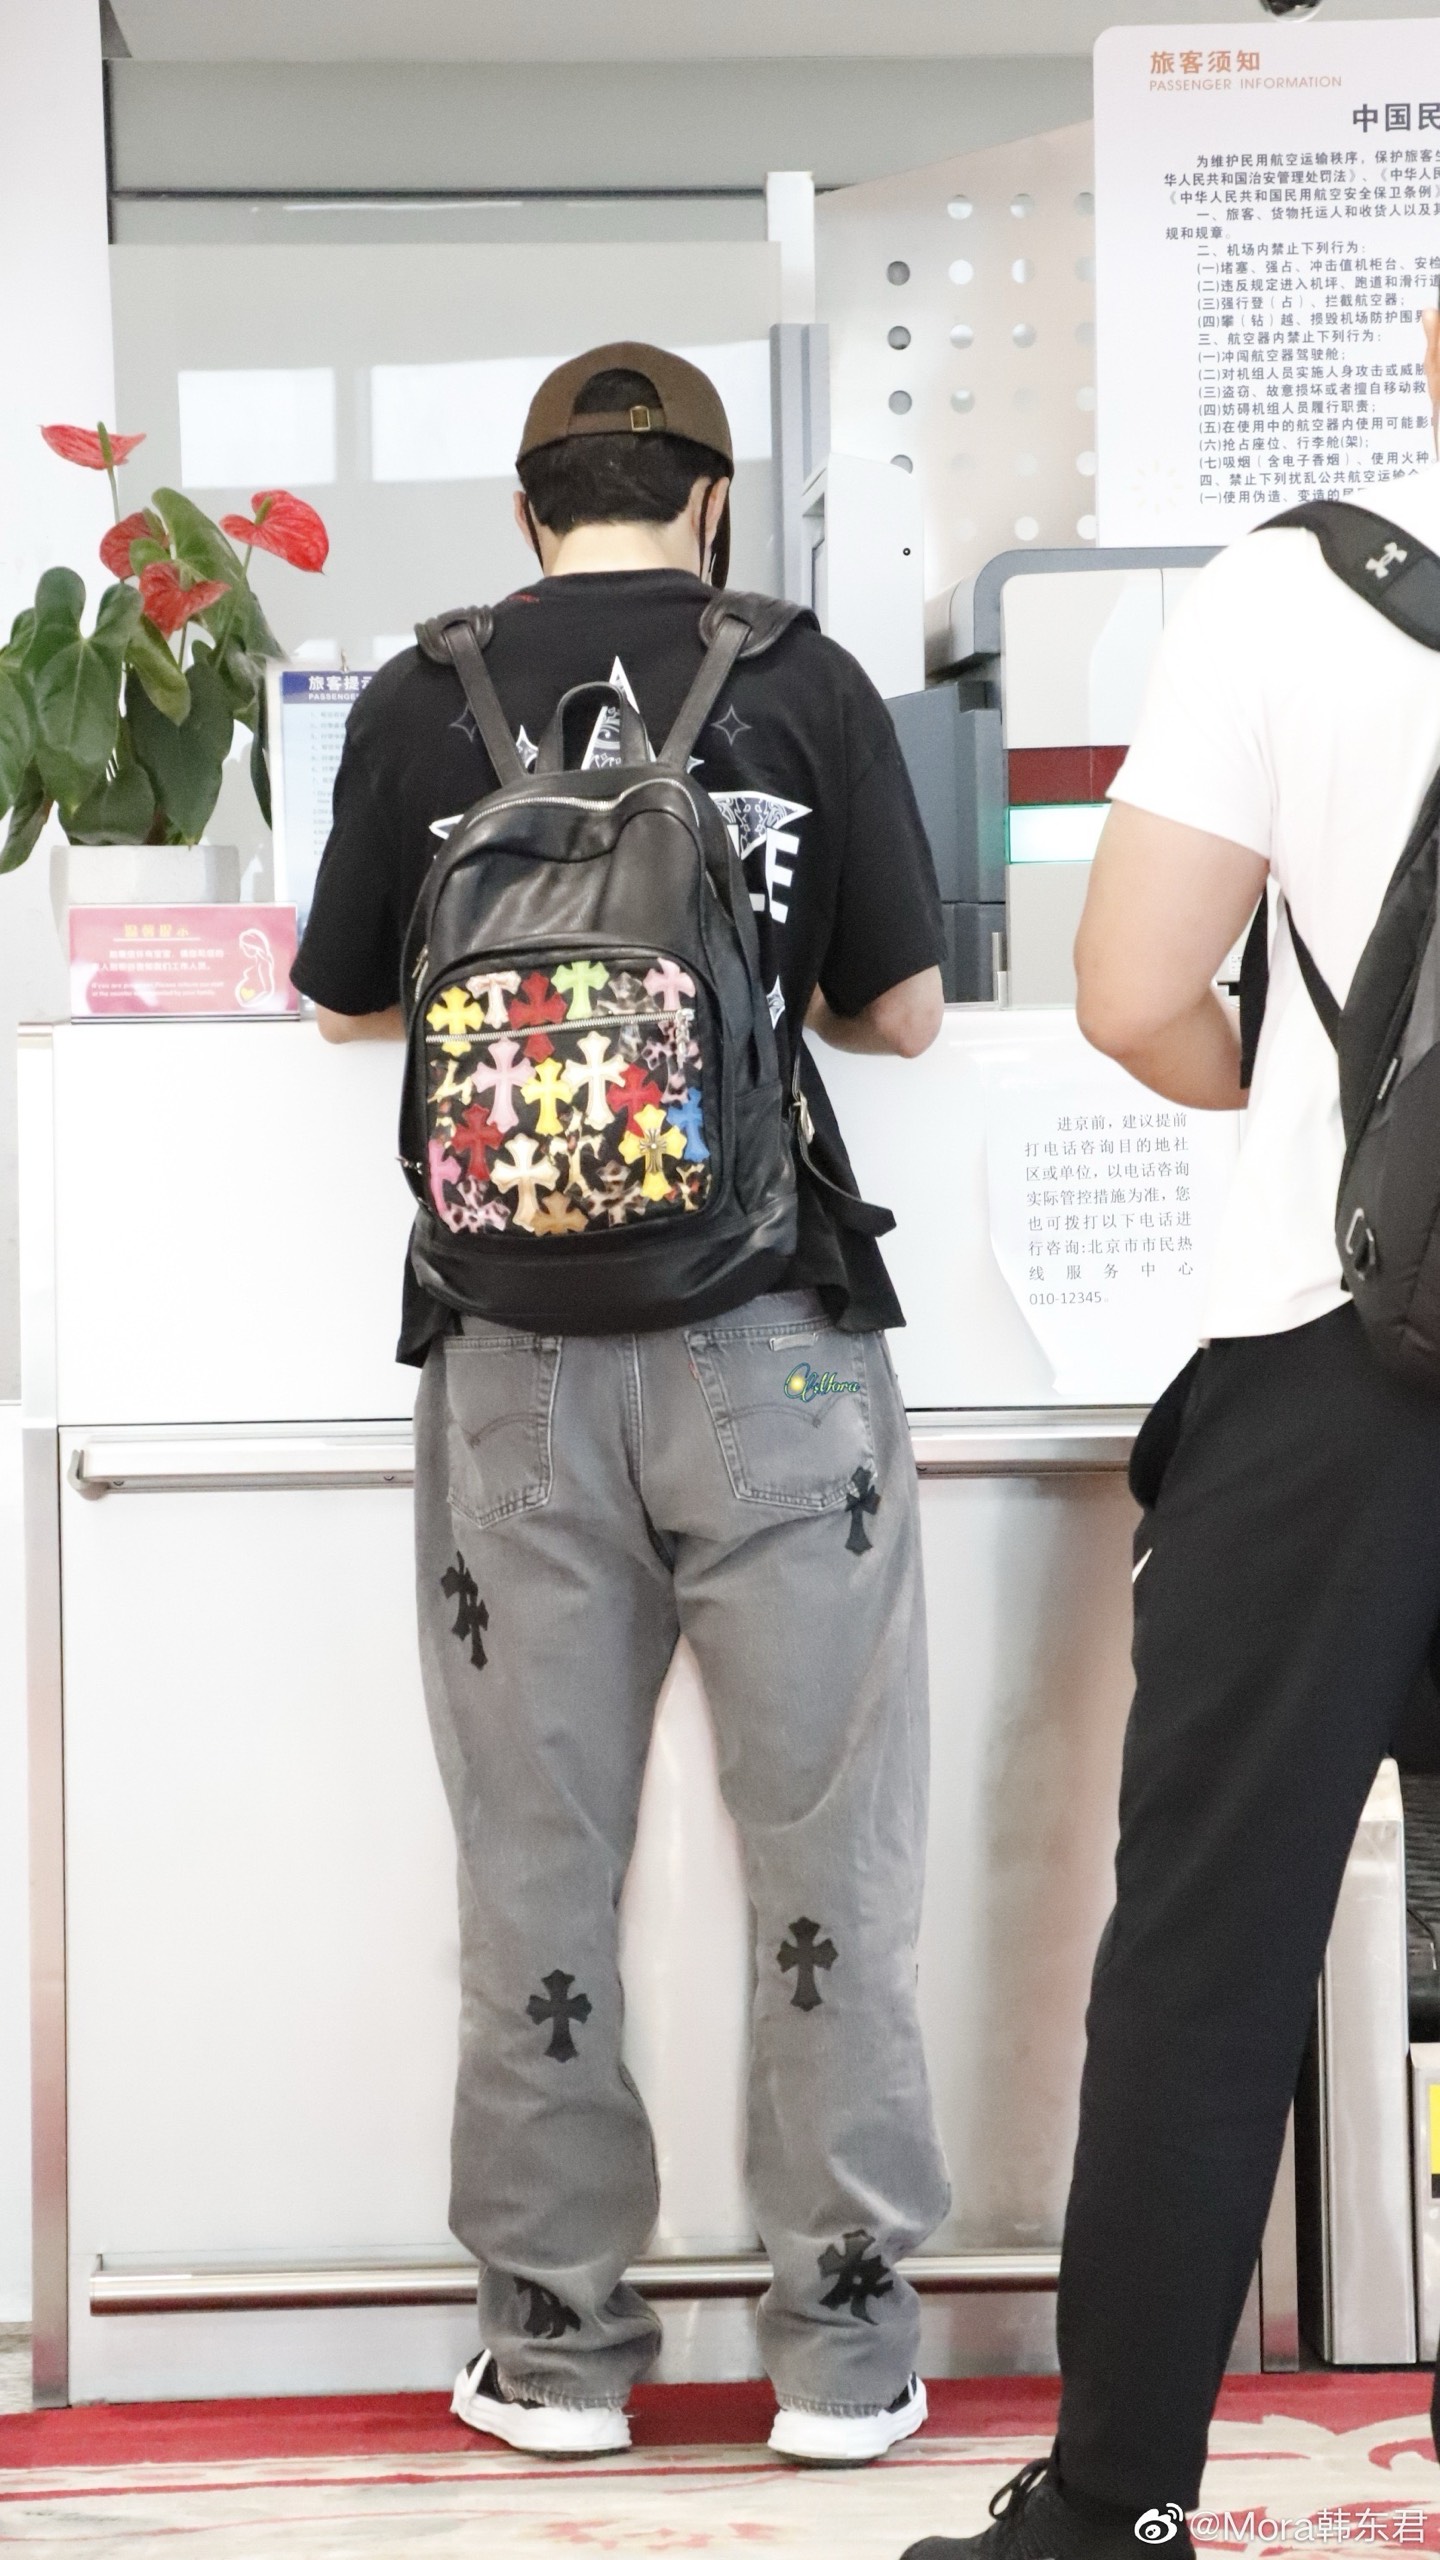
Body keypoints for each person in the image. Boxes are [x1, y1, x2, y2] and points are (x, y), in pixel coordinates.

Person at [291, 342, 951, 2467]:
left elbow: (347, 1007)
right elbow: (907, 1013)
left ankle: (559, 2351)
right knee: (830, 1856)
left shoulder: (423, 698)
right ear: (714, 501)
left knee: (537, 1871)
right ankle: (844, 2353)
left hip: (508, 1367)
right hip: (776, 1347)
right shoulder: (805, 677)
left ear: (527, 509)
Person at [900, 307, 1440, 2560]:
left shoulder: (1297, 587)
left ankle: (1114, 2502)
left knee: (1214, 1939)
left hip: (1334, 1353)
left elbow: (1130, 987)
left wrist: (1327, 1114)